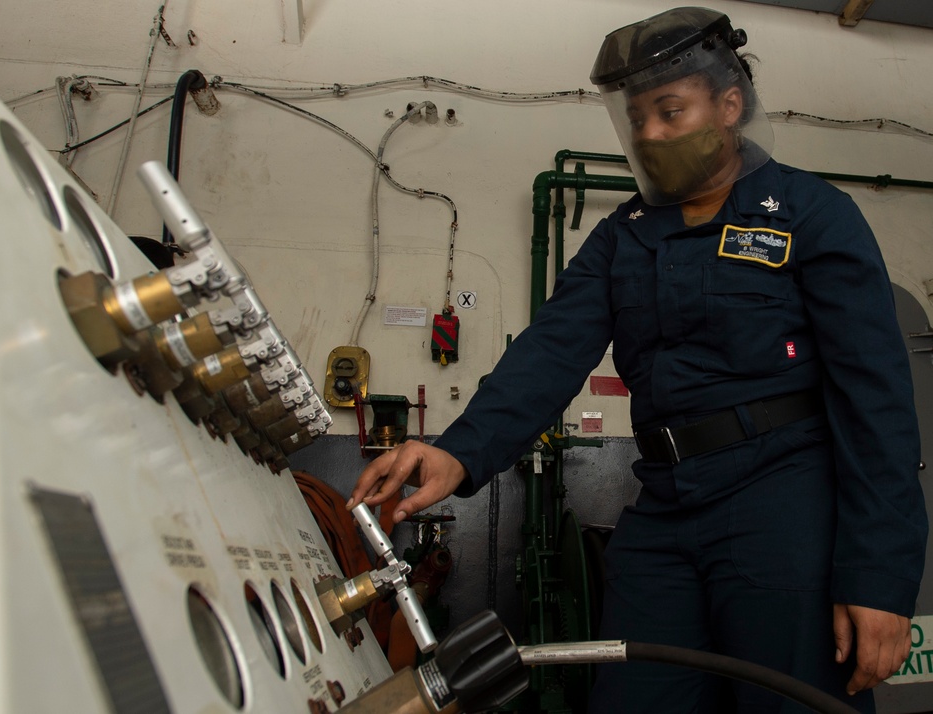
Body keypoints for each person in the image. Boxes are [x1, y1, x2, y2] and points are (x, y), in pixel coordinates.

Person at [348, 7, 928, 712]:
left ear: (730, 105)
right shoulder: (624, 237)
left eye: (671, 111)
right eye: (638, 117)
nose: (650, 134)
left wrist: (878, 580)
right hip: (665, 509)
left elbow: (876, 405)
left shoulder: (809, 214)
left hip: (782, 505)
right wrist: (461, 452)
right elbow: (551, 350)